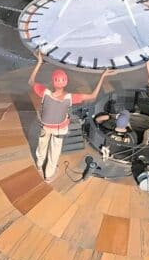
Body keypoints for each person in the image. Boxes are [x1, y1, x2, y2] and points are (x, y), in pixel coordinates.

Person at [29, 52, 110, 180]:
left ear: (53, 82)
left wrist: (39, 62)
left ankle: (39, 165)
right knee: (54, 152)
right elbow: (93, 95)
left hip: (45, 126)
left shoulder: (45, 92)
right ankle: (48, 175)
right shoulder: (69, 97)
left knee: (42, 146)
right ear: (65, 82)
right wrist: (102, 76)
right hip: (59, 129)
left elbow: (31, 81)